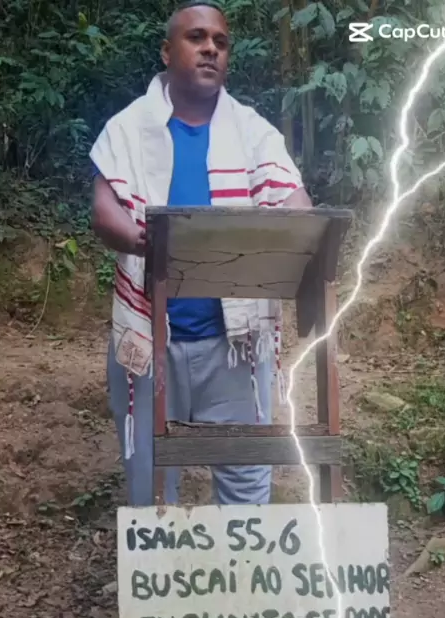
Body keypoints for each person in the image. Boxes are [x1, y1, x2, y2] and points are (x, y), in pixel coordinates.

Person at [90, 0, 312, 507]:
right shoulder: (129, 128)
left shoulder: (253, 131)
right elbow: (104, 212)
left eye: (220, 42)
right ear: (167, 51)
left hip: (235, 346)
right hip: (149, 341)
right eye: (197, 38)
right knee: (150, 492)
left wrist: (292, 230)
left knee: (246, 488)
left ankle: (242, 561)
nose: (211, 48)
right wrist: (154, 244)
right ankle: (160, 556)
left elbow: (296, 204)